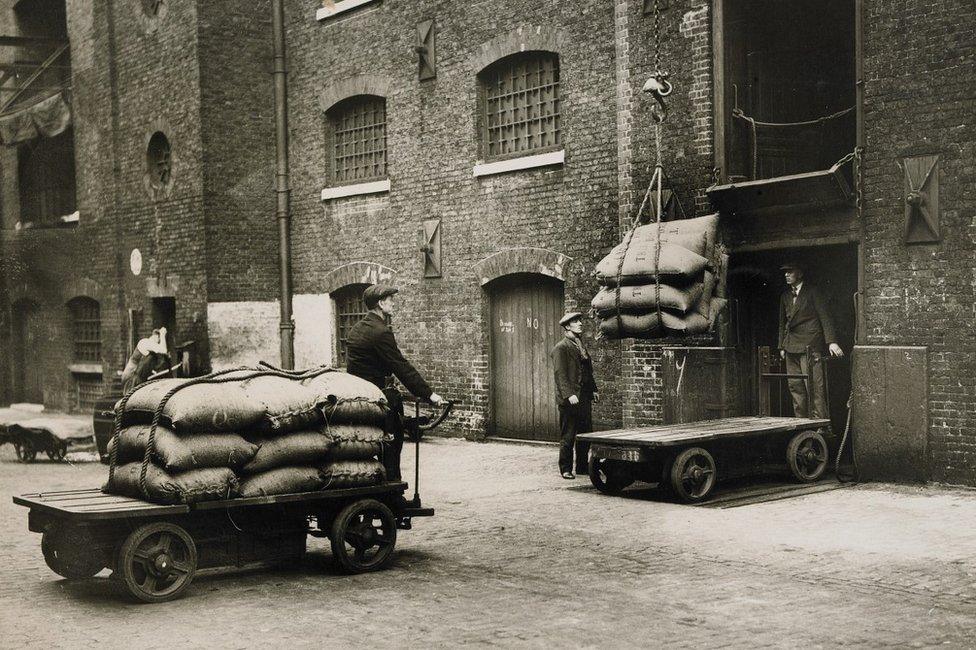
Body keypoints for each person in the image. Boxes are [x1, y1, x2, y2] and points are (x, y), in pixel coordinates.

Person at [345, 284, 444, 482]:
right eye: (390, 299)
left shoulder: (357, 328)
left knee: (368, 445)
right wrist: (429, 394)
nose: (394, 303)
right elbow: (401, 367)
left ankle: (370, 482)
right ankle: (391, 491)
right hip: (379, 396)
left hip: (358, 395)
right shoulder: (381, 332)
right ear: (381, 303)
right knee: (392, 442)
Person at [777, 262, 844, 421]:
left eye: (790, 271)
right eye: (785, 272)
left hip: (810, 346)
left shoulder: (813, 292)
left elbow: (825, 317)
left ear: (799, 273)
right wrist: (781, 345)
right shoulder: (785, 296)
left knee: (814, 388)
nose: (786, 274)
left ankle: (820, 425)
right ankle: (801, 423)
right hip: (790, 347)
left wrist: (831, 342)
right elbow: (781, 323)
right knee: (795, 387)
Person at [551, 312, 598, 479]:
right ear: (567, 327)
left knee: (585, 433)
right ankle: (565, 468)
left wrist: (593, 390)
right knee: (568, 435)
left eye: (579, 321)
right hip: (570, 398)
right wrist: (569, 394)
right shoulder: (561, 348)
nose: (580, 324)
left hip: (583, 396)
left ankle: (583, 467)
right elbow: (560, 374)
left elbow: (586, 371)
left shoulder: (580, 345)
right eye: (575, 322)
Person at [120, 328, 170, 394]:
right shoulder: (145, 342)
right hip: (131, 377)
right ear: (156, 336)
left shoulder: (149, 349)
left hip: (136, 377)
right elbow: (164, 350)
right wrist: (162, 335)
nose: (158, 344)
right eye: (159, 341)